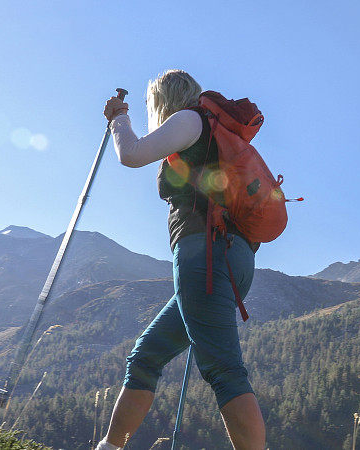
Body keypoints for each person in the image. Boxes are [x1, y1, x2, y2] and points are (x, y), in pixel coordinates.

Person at [96, 70, 265, 450]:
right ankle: (109, 446)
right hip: (231, 257)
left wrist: (118, 119)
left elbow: (131, 154)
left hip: (204, 256)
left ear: (161, 100)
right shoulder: (208, 131)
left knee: (224, 370)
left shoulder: (188, 120)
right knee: (145, 356)